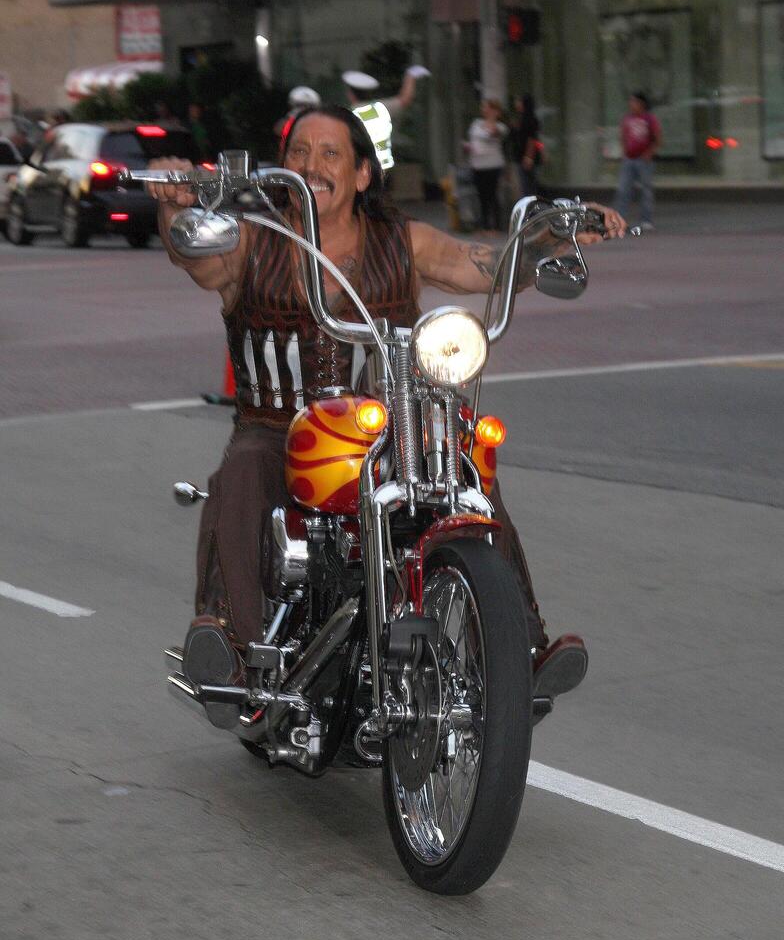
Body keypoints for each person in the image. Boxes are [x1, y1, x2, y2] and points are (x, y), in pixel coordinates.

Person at [146, 104, 626, 704]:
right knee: (240, 470)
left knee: (468, 454)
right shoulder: (253, 242)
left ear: (363, 174)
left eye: (329, 154)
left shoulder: (403, 242)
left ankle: (518, 647)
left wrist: (554, 235)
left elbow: (486, 267)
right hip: (279, 427)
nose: (310, 165)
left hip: (387, 427)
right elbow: (193, 256)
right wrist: (173, 204)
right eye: (298, 152)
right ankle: (233, 646)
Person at [342, 66, 430, 171]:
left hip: (365, 171)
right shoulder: (381, 108)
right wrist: (410, 76)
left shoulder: (348, 116)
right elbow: (405, 99)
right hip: (385, 168)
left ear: (350, 95)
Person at [614, 91, 661, 230]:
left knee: (645, 190)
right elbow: (623, 136)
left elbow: (657, 138)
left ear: (642, 104)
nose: (631, 104)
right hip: (629, 158)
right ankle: (619, 219)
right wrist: (624, 151)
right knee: (623, 190)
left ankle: (646, 219)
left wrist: (650, 153)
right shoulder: (627, 119)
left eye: (634, 102)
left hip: (643, 159)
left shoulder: (649, 119)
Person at [466, 98, 509, 233]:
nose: (483, 110)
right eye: (483, 107)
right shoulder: (476, 124)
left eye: (487, 107)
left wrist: (492, 119)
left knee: (492, 195)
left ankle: (495, 226)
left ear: (494, 111)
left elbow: (493, 134)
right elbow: (473, 138)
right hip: (477, 164)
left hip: (492, 165)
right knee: (481, 195)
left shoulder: (501, 126)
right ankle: (484, 225)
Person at [510, 93, 541, 198]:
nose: (516, 104)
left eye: (519, 102)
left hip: (527, 156)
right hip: (521, 155)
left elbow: (532, 139)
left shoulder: (529, 119)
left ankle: (531, 206)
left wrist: (529, 156)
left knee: (528, 185)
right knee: (526, 184)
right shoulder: (520, 119)